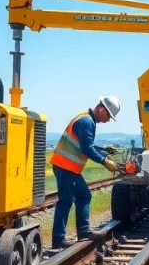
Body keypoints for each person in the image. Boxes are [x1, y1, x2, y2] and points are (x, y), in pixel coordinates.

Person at [50, 95, 122, 248]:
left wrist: (104, 151)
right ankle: (58, 239)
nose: (108, 120)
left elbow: (84, 145)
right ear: (102, 109)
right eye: (108, 115)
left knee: (84, 195)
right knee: (65, 201)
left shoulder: (86, 119)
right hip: (65, 165)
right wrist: (104, 161)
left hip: (69, 167)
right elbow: (86, 148)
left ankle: (83, 231)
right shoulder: (86, 122)